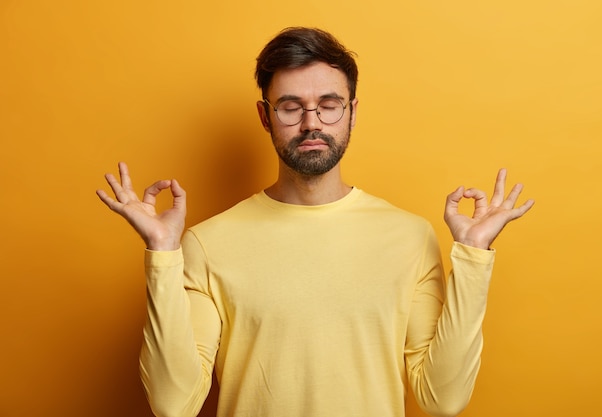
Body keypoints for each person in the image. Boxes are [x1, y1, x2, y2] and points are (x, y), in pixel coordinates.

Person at [97, 27, 534, 417]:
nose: (312, 123)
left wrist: (474, 258)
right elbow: (173, 405)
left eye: (329, 105)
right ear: (265, 116)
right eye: (291, 107)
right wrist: (163, 255)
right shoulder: (207, 244)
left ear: (353, 112)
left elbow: (444, 399)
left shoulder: (410, 237)